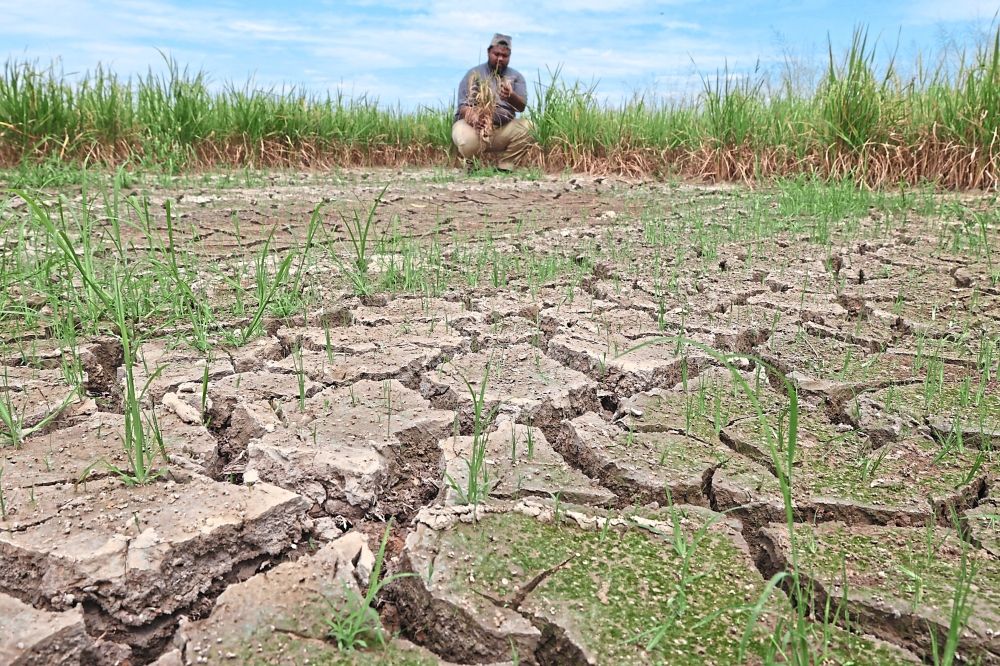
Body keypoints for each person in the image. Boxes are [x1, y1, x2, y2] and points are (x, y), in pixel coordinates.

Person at [452, 33, 535, 171]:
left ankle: (505, 166)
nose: (500, 59)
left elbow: (521, 107)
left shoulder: (516, 77)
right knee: (464, 139)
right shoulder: (474, 74)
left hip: (502, 129)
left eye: (505, 56)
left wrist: (511, 96)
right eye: (496, 54)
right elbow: (463, 106)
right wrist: (476, 119)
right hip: (475, 128)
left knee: (529, 127)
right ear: (488, 52)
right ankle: (472, 164)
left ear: (509, 56)